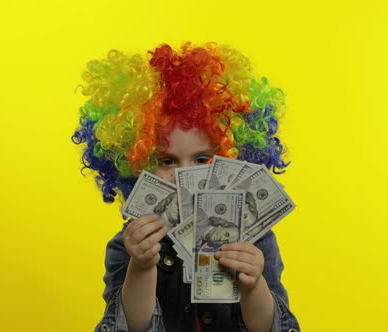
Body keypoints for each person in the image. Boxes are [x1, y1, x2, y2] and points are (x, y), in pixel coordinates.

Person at [72, 42, 300, 332]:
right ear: (135, 167)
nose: (184, 175)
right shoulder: (128, 244)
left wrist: (253, 284)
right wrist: (141, 266)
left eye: (202, 159)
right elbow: (130, 326)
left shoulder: (256, 240)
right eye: (167, 161)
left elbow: (268, 327)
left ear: (231, 160)